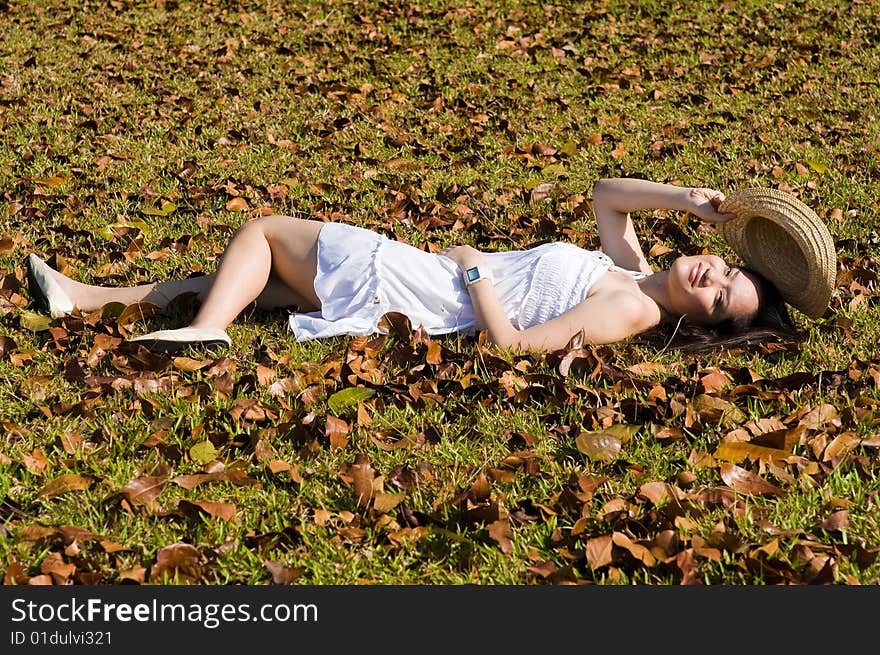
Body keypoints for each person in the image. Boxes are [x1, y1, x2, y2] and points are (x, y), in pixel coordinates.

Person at [26, 177, 800, 356]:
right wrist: (689, 200)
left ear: (702, 322)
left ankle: (204, 333)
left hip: (422, 284)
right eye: (724, 271)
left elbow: (515, 346)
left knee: (261, 233)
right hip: (426, 276)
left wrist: (471, 269)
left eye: (721, 299)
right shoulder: (630, 269)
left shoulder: (633, 310)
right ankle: (82, 295)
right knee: (243, 280)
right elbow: (605, 194)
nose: (711, 279)